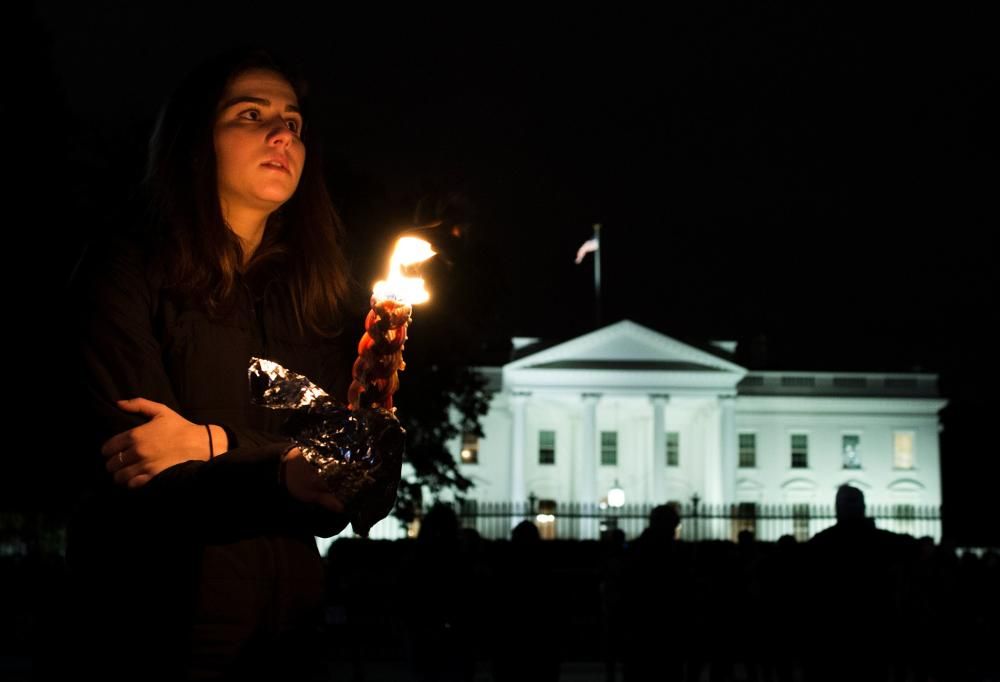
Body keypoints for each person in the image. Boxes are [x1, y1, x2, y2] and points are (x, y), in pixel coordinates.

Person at [61, 46, 397, 681]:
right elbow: (144, 469)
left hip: (287, 637)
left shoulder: (313, 300)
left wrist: (212, 443)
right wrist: (288, 470)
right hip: (155, 629)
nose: (282, 135)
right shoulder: (127, 269)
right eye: (251, 114)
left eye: (294, 123)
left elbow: (357, 480)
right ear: (196, 139)